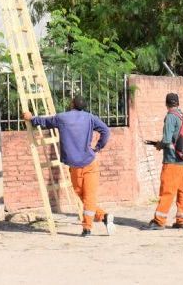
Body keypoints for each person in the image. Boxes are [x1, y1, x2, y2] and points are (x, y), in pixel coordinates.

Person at [22, 96, 115, 237]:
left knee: (88, 197)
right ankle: (104, 217)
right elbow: (106, 131)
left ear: (72, 104)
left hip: (79, 165)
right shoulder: (90, 118)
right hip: (89, 162)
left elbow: (45, 121)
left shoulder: (62, 118)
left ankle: (87, 228)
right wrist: (97, 147)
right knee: (82, 195)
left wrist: (31, 118)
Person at [142, 92, 183, 230]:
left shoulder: (170, 117)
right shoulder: (182, 116)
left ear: (166, 103)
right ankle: (181, 220)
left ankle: (159, 221)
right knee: (182, 189)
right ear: (177, 103)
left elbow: (167, 140)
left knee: (167, 190)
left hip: (172, 160)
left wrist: (159, 144)